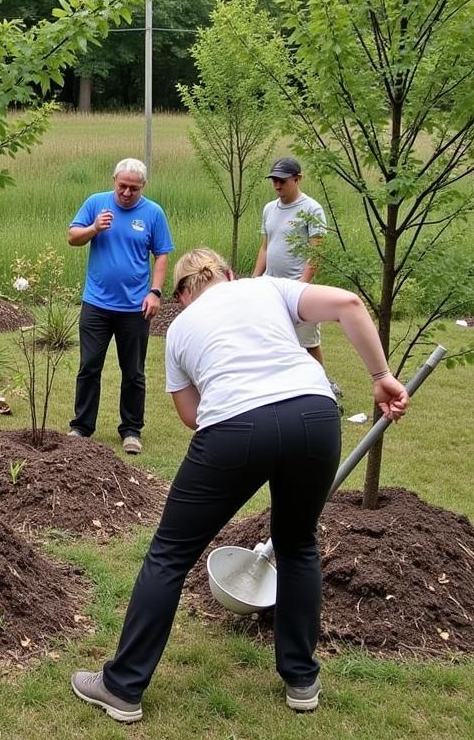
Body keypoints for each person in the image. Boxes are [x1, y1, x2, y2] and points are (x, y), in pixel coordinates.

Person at [71, 248, 409, 722]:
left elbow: (190, 416)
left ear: (183, 296)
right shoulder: (265, 286)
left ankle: (122, 686)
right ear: (230, 275)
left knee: (170, 554)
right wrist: (381, 377)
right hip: (314, 414)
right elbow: (350, 305)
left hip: (234, 429)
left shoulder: (179, 331)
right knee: (297, 544)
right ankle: (301, 680)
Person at [67, 158, 174, 455]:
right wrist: (94, 228)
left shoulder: (153, 213)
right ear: (114, 180)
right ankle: (81, 427)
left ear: (143, 187)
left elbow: (162, 254)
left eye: (134, 188)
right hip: (97, 303)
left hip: (134, 307)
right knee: (89, 366)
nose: (127, 193)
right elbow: (72, 237)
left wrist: (155, 292)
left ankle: (131, 430)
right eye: (122, 186)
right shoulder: (96, 204)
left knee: (133, 371)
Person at [252, 156, 328, 364]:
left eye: (282, 180)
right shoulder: (269, 209)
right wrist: (254, 279)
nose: (277, 185)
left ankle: (322, 382)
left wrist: (302, 285)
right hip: (271, 286)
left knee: (307, 343)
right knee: (272, 339)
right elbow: (265, 247)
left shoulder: (312, 209)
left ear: (297, 179)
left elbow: (316, 252)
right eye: (274, 180)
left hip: (298, 287)